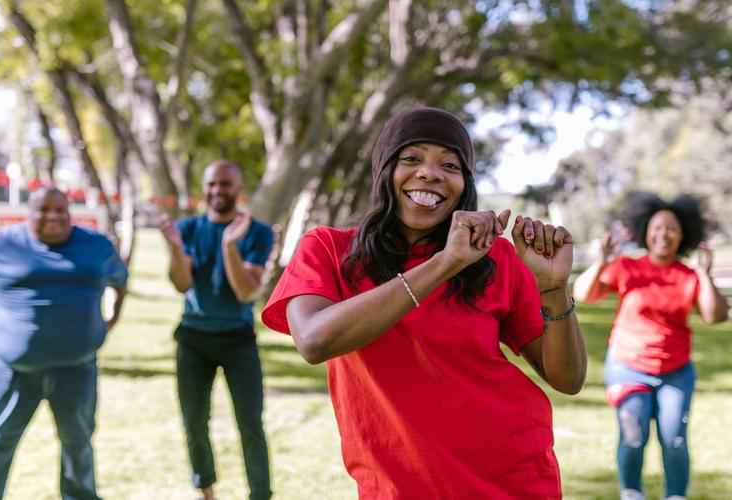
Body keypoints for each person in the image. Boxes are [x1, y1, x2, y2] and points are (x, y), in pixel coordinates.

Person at [261, 106, 588, 499]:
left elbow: (567, 379)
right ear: (384, 171)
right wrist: (445, 263)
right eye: (411, 159)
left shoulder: (496, 259)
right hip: (396, 488)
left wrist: (553, 289)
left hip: (511, 481)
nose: (430, 173)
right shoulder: (328, 249)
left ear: (463, 184)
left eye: (449, 165)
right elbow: (314, 340)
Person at [0, 187, 128, 500]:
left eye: (61, 209)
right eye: (44, 209)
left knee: (78, 441)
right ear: (28, 213)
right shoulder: (2, 244)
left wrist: (110, 319)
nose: (54, 216)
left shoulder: (96, 246)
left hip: (77, 369)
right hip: (14, 370)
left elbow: (119, 279)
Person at [573, 192, 728, 500]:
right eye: (657, 227)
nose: (663, 234)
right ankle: (632, 493)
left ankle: (676, 496)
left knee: (674, 440)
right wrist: (602, 262)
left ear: (683, 234)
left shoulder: (688, 276)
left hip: (676, 372)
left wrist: (704, 274)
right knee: (632, 436)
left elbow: (715, 316)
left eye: (671, 228)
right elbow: (583, 295)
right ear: (645, 230)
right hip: (628, 367)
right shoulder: (627, 267)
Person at [160, 159, 273, 500]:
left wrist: (229, 246)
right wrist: (176, 248)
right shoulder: (190, 229)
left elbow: (245, 291)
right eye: (211, 184)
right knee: (194, 422)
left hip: (238, 340)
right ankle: (205, 490)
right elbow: (182, 284)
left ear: (239, 190)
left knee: (250, 424)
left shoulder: (257, 232)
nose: (217, 191)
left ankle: (259, 494)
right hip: (193, 339)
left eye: (225, 184)